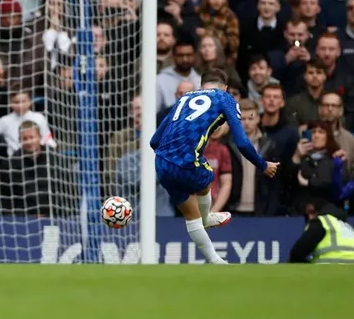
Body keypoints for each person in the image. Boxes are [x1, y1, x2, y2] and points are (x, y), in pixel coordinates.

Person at [150, 69, 279, 264]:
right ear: (226, 88)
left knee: (190, 216)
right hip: (186, 160)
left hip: (161, 163)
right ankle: (207, 218)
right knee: (207, 176)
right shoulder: (224, 98)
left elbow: (154, 141)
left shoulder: (184, 99)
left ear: (201, 86)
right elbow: (243, 143)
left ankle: (215, 259)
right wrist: (262, 165)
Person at [287, 202, 354, 263]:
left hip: (331, 266)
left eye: (312, 212)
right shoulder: (347, 226)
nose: (310, 217)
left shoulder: (322, 222)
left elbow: (297, 252)